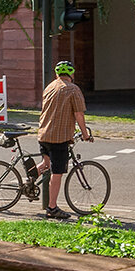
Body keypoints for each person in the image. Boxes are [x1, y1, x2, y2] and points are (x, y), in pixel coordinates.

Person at [35, 60, 92, 220]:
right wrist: (85, 134)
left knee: (46, 164)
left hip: (43, 134)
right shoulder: (72, 89)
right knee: (57, 172)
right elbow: (79, 114)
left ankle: (27, 181)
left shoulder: (50, 87)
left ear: (57, 74)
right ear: (72, 74)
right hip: (59, 138)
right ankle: (52, 208)